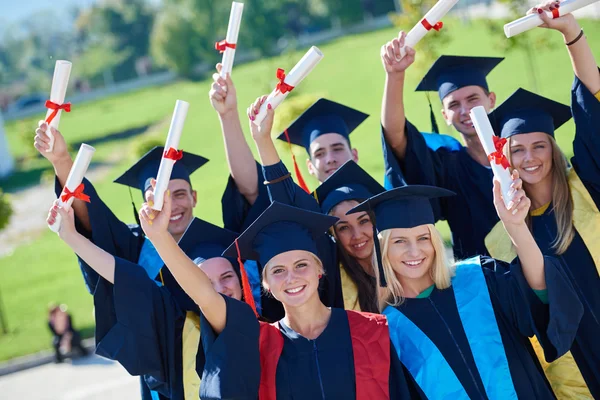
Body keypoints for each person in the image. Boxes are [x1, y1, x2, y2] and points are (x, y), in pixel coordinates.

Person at [138, 197, 415, 399]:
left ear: (320, 269)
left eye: (301, 265)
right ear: (267, 283)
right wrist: (160, 237)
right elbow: (205, 296)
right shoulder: (259, 343)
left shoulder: (370, 330)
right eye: (278, 271)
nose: (292, 278)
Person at [348, 181, 584, 399]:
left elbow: (541, 297)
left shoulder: (481, 278)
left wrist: (516, 226)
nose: (414, 251)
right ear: (383, 250)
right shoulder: (388, 332)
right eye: (399, 241)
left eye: (423, 238)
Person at [485, 3, 600, 396]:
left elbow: (591, 112)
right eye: (518, 150)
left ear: (553, 148)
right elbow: (532, 318)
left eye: (539, 146)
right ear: (506, 158)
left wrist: (572, 34)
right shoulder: (502, 239)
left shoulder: (588, 188)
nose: (530, 157)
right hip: (580, 370)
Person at [47, 198, 245, 399]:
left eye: (227, 276)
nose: (219, 289)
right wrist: (71, 237)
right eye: (205, 282)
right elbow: (128, 279)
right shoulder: (177, 332)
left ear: (241, 279)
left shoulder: (268, 323)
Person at [380, 30, 505, 260]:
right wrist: (395, 76)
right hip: (484, 280)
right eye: (454, 104)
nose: (465, 110)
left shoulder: (521, 151)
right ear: (445, 115)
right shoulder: (450, 166)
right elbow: (396, 138)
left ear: (492, 100)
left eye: (473, 99)